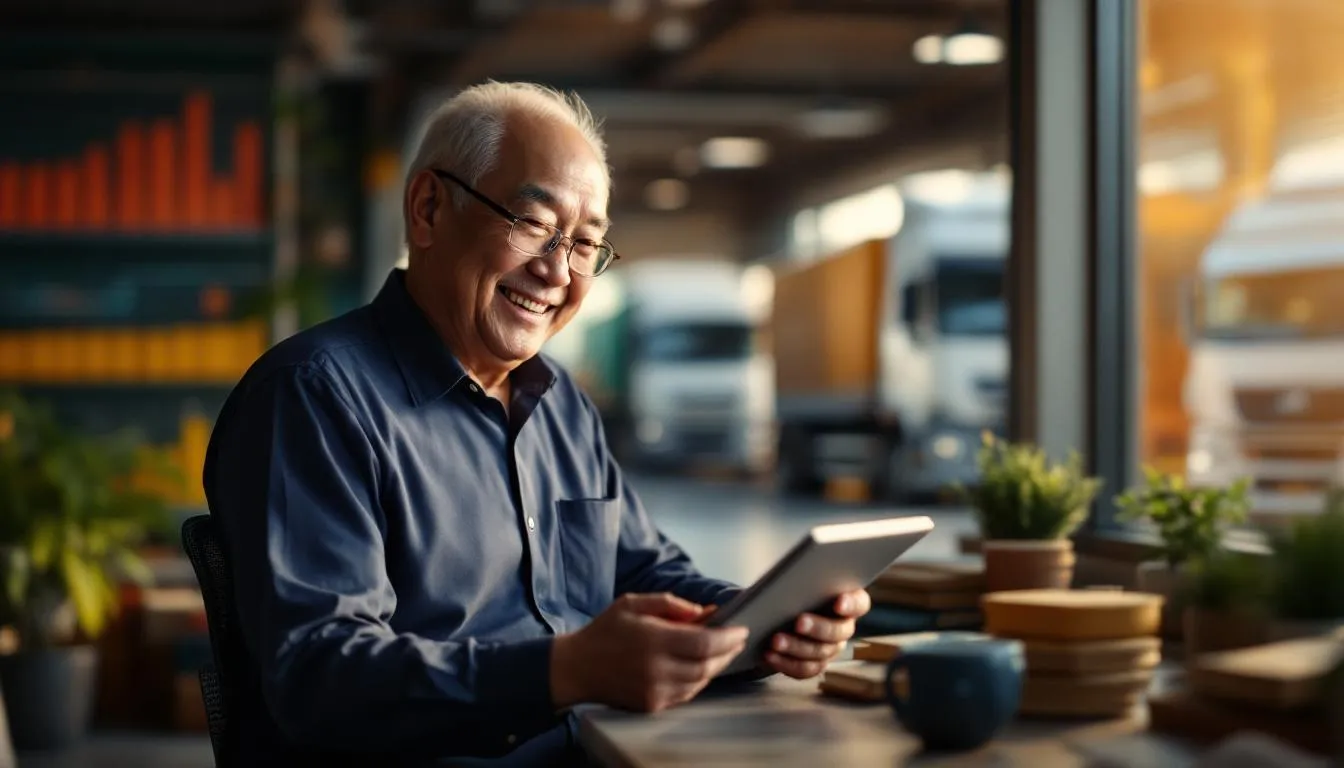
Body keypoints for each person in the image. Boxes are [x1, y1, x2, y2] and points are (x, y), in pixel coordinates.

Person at [202, 81, 871, 767]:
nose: (558, 271)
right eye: (532, 224)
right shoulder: (315, 399)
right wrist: (563, 672)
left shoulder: (562, 406)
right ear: (429, 208)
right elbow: (321, 676)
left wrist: (763, 618)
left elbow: (643, 570)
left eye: (586, 244)